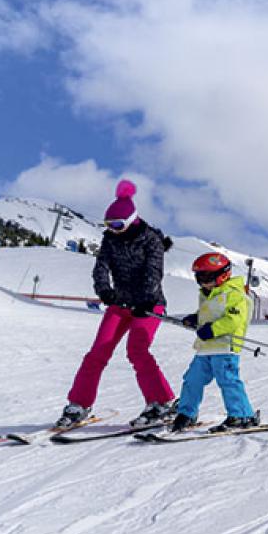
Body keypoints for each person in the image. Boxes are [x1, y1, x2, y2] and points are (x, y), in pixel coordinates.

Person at [57, 180, 177, 428]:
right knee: (97, 353)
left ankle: (160, 402)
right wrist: (105, 291)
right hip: (121, 303)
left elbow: (153, 272)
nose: (113, 229)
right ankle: (79, 404)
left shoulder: (151, 239)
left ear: (132, 219)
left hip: (149, 304)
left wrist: (145, 299)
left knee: (137, 350)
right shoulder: (110, 239)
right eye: (108, 225)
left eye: (117, 225)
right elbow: (101, 267)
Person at [169, 252, 260, 432]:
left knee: (228, 380)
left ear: (223, 275)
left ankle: (242, 416)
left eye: (207, 276)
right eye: (199, 277)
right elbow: (209, 313)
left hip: (226, 347)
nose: (203, 281)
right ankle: (187, 413)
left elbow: (233, 320)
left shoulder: (235, 294)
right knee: (192, 380)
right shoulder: (207, 293)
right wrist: (195, 318)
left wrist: (212, 329)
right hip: (205, 349)